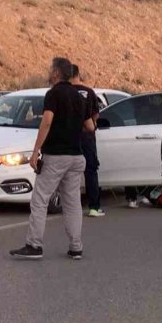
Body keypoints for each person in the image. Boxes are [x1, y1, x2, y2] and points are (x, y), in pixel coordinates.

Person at [10, 57, 95, 260]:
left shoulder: (53, 94)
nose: (49, 72)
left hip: (56, 156)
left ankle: (34, 244)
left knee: (39, 200)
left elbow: (47, 122)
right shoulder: (79, 98)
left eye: (51, 69)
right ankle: (76, 246)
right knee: (72, 203)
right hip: (76, 157)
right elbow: (90, 127)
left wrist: (35, 151)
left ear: (56, 73)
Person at [70, 65, 103, 217]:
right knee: (90, 171)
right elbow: (95, 116)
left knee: (69, 173)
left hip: (68, 138)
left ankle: (71, 207)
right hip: (87, 137)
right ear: (78, 74)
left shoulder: (62, 93)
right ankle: (94, 207)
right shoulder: (89, 92)